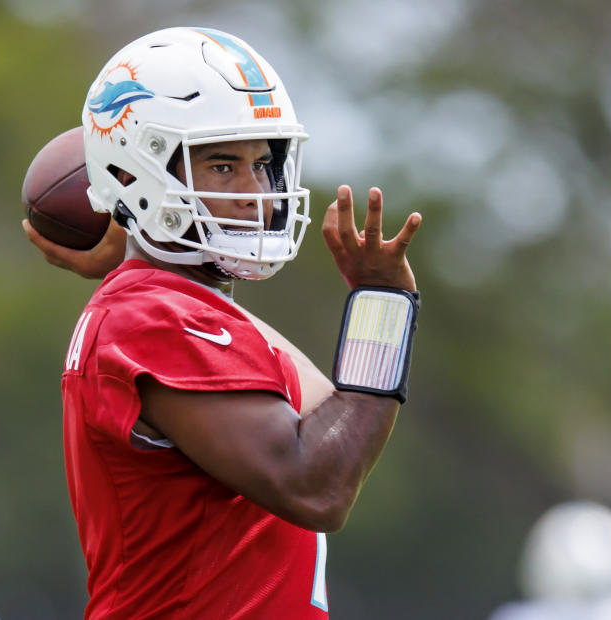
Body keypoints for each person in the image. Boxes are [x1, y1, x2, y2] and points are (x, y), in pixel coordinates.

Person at [24, 27, 421, 619]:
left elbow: (332, 413)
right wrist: (383, 306)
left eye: (261, 163)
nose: (253, 189)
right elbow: (320, 483)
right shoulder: (147, 318)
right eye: (222, 165)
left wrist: (146, 251)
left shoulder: (166, 307)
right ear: (133, 172)